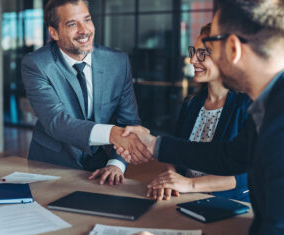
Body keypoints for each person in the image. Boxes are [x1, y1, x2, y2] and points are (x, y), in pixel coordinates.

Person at [117, 0, 284, 233]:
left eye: (210, 45)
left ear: (233, 48)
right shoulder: (267, 105)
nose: (194, 60)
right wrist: (154, 144)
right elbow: (229, 157)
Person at [21, 0, 151, 185]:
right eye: (72, 24)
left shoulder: (118, 62)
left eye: (87, 20)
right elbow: (56, 121)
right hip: (49, 164)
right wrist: (112, 133)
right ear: (54, 32)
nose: (84, 30)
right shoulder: (36, 64)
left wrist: (116, 164)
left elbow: (128, 121)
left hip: (99, 166)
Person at [147, 23, 250, 202]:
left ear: (225, 58)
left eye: (202, 53)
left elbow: (245, 175)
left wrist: (188, 184)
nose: (193, 60)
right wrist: (170, 179)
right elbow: (175, 149)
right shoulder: (191, 103)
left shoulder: (246, 106)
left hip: (230, 204)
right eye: (193, 52)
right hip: (183, 198)